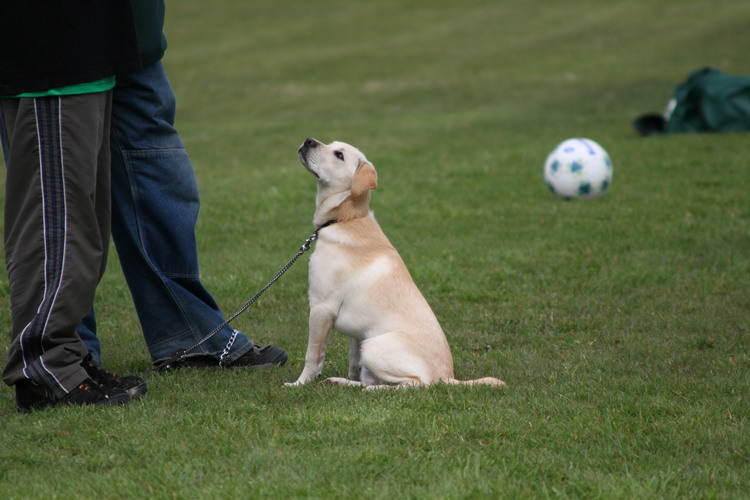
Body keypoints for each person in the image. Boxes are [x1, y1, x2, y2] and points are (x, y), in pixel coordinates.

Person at [74, 0, 288, 369]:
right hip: (55, 48)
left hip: (132, 34)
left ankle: (188, 335)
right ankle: (66, 352)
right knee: (66, 187)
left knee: (160, 175)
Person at [1, 0, 147, 411]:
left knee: (84, 228)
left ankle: (66, 354)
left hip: (85, 53)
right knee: (55, 223)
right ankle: (43, 366)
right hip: (50, 58)